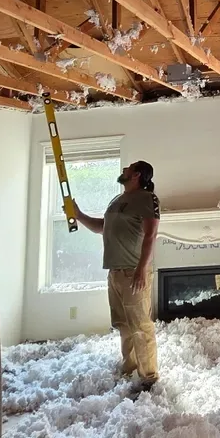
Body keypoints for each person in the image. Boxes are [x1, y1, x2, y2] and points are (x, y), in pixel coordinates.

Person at [73, 160, 160, 392]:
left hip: (133, 271)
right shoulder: (118, 200)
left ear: (137, 175)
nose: (124, 171)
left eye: (128, 168)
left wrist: (142, 268)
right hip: (115, 271)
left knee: (141, 325)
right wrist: (79, 215)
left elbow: (151, 234)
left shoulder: (146, 198)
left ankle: (149, 377)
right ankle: (130, 368)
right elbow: (103, 227)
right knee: (123, 324)